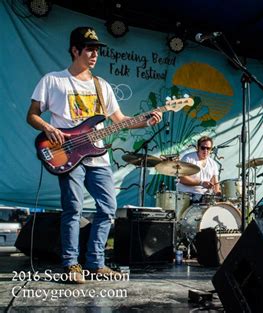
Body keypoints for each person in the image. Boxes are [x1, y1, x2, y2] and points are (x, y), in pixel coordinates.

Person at [26, 26, 162, 283]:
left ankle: (95, 264)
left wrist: (146, 121)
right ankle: (70, 264)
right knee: (73, 207)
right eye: (89, 49)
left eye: (97, 50)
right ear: (75, 50)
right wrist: (49, 127)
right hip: (66, 153)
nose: (94, 54)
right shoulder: (53, 80)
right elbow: (31, 115)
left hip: (97, 157)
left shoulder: (102, 86)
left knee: (108, 208)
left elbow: (120, 120)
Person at [177, 136, 221, 201]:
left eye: (208, 148)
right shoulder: (188, 158)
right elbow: (182, 178)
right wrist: (201, 183)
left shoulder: (213, 163)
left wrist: (219, 196)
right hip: (187, 196)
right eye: (203, 148)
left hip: (205, 197)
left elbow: (215, 183)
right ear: (198, 148)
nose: (205, 151)